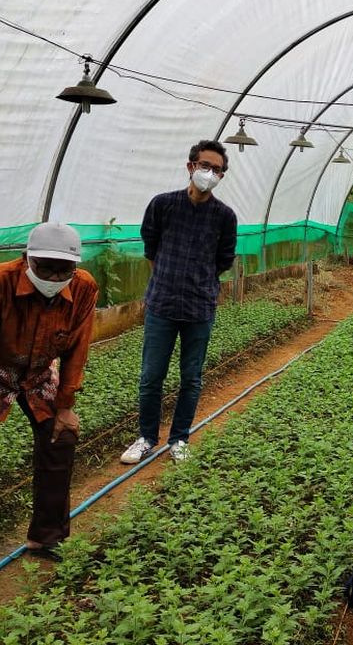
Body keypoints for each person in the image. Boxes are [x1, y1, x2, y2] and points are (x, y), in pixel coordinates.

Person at [0, 222, 98, 594]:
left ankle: (47, 536)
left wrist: (65, 406)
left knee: (61, 437)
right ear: (27, 259)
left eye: (64, 269)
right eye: (45, 267)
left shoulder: (84, 287)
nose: (55, 277)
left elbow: (78, 348)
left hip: (39, 369)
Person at [120, 139, 238, 465]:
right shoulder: (162, 205)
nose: (209, 173)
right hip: (162, 306)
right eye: (205, 166)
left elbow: (223, 260)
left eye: (217, 170)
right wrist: (169, 280)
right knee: (151, 376)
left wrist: (198, 282)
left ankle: (179, 439)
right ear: (190, 167)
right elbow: (151, 247)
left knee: (191, 377)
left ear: (221, 176)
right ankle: (146, 437)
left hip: (199, 309)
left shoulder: (224, 217)